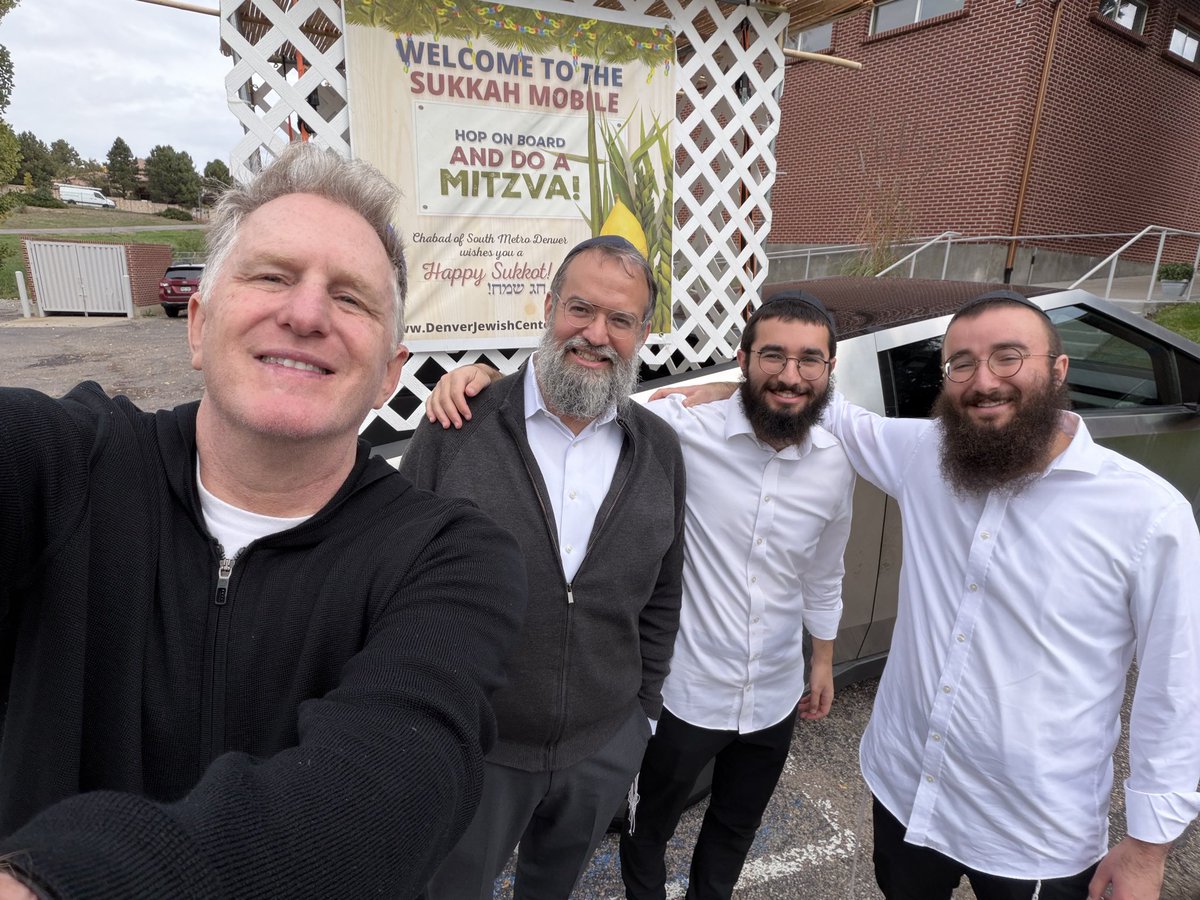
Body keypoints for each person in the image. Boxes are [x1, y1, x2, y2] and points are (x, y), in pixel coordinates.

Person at [0, 144, 527, 900]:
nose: (306, 313)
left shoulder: (451, 558)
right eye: (272, 275)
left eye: (351, 298)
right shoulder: (66, 465)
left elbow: (392, 790)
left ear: (388, 371)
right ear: (198, 325)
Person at [659, 291, 1200, 900]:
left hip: (1032, 835)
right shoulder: (927, 455)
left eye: (1008, 357)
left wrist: (1149, 847)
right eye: (962, 363)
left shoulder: (1148, 514)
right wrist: (735, 389)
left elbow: (1174, 687)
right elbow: (818, 402)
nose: (984, 381)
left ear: (1058, 369)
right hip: (907, 791)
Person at [424, 292, 856, 899]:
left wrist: (824, 660)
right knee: (646, 830)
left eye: (811, 360)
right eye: (773, 356)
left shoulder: (837, 463)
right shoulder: (676, 429)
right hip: (688, 694)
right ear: (743, 359)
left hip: (775, 696)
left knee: (736, 827)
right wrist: (486, 380)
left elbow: (825, 571)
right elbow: (579, 393)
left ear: (830, 369)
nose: (791, 374)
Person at [401, 234, 687, 899]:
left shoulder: (659, 451)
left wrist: (641, 718)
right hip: (475, 749)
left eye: (620, 320)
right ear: (549, 304)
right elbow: (397, 581)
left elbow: (663, 594)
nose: (596, 334)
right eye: (580, 309)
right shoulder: (461, 426)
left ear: (642, 333)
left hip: (600, 747)